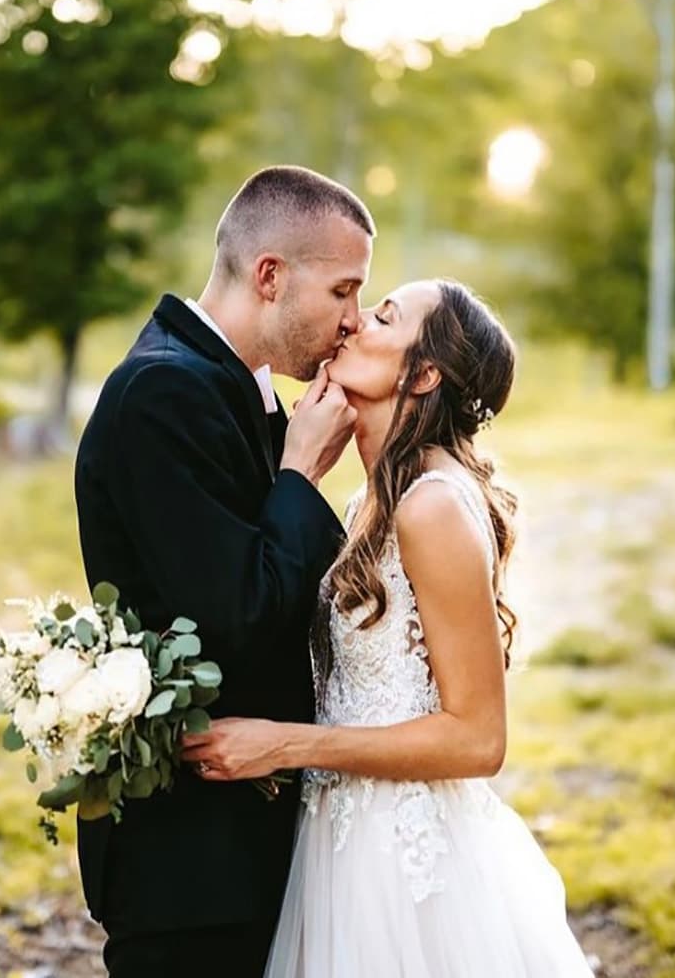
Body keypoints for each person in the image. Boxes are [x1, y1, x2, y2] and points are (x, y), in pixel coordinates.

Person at [182, 279, 596, 977]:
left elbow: (479, 736)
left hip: (406, 868)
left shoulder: (430, 508)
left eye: (383, 315)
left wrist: (283, 745)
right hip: (341, 841)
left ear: (424, 372)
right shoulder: (369, 501)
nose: (353, 323)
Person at [73, 164, 374, 977]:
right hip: (189, 861)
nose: (352, 321)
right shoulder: (163, 394)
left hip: (243, 846)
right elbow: (233, 617)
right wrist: (300, 476)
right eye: (343, 291)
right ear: (270, 276)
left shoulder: (234, 387)